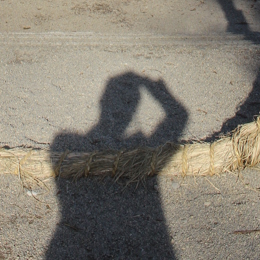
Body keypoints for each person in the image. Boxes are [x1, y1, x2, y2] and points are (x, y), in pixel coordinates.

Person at [45, 71, 188, 259]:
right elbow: (178, 118)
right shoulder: (64, 143)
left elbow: (179, 118)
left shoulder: (61, 141)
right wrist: (158, 89)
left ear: (101, 103)